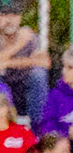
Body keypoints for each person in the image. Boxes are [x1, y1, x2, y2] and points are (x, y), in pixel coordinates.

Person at [0, 0, 47, 129]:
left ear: (20, 17)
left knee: (38, 74)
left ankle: (38, 130)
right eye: (4, 15)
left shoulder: (31, 37)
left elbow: (44, 62)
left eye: (14, 15)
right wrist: (19, 44)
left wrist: (7, 62)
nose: (10, 20)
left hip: (27, 91)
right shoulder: (23, 38)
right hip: (3, 91)